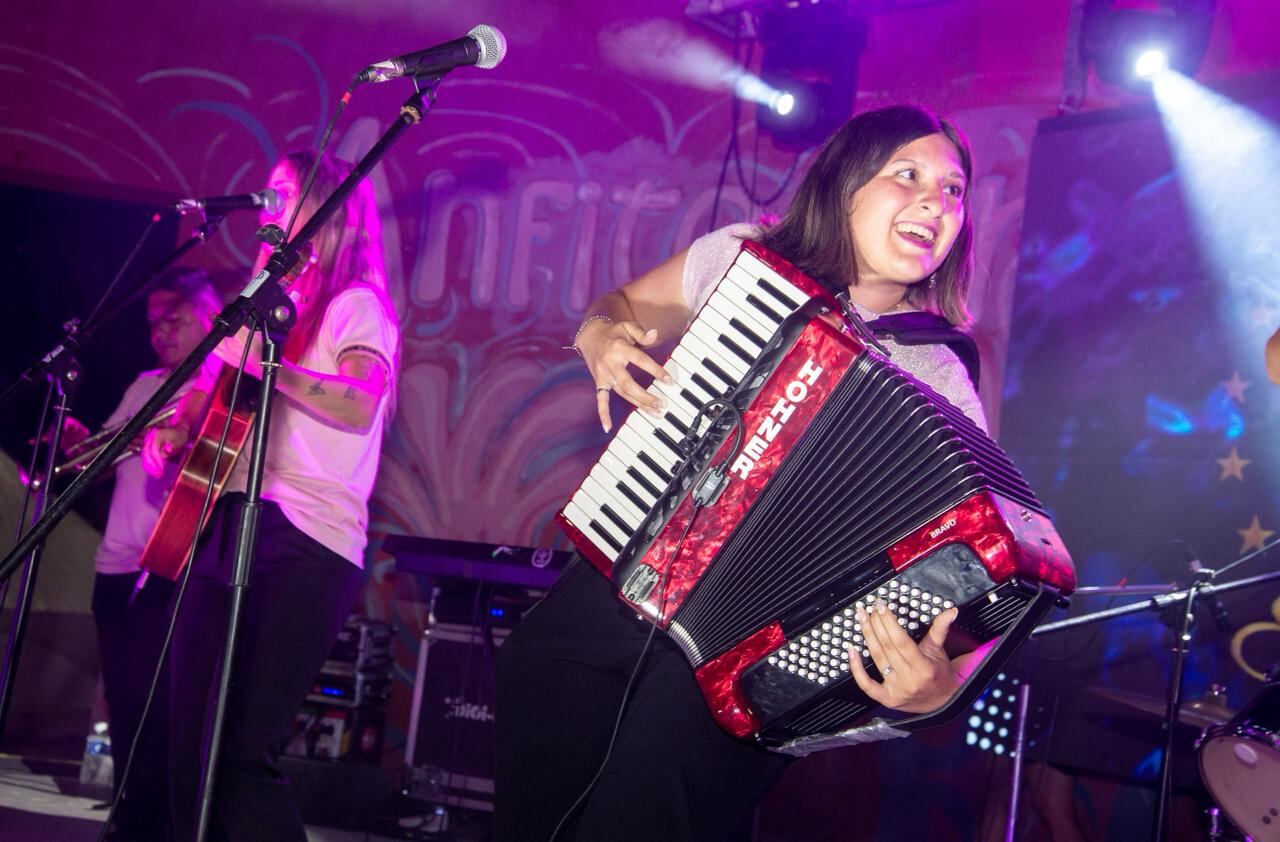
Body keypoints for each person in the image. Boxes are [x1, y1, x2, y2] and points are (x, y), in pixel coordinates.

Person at [493, 105, 990, 842]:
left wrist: (942, 687)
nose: (934, 201)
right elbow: (626, 306)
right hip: (626, 579)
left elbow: (982, 573)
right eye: (908, 175)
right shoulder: (746, 259)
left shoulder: (939, 375)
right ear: (846, 183)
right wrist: (599, 336)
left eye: (953, 191)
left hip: (755, 653)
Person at [141, 150, 399, 841]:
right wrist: (173, 430)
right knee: (190, 740)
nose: (271, 204)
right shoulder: (262, 301)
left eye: (287, 193)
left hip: (308, 538)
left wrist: (275, 369)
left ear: (331, 210)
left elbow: (357, 403)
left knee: (240, 750)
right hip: (225, 518)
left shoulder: (356, 307)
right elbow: (206, 390)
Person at [71, 267, 221, 842]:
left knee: (162, 704)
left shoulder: (211, 390)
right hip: (116, 562)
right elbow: (100, 455)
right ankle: (126, 815)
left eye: (174, 320)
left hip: (169, 561)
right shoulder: (144, 383)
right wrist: (77, 444)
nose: (161, 333)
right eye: (153, 322)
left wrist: (169, 437)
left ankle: (155, 821)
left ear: (210, 317)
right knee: (125, 699)